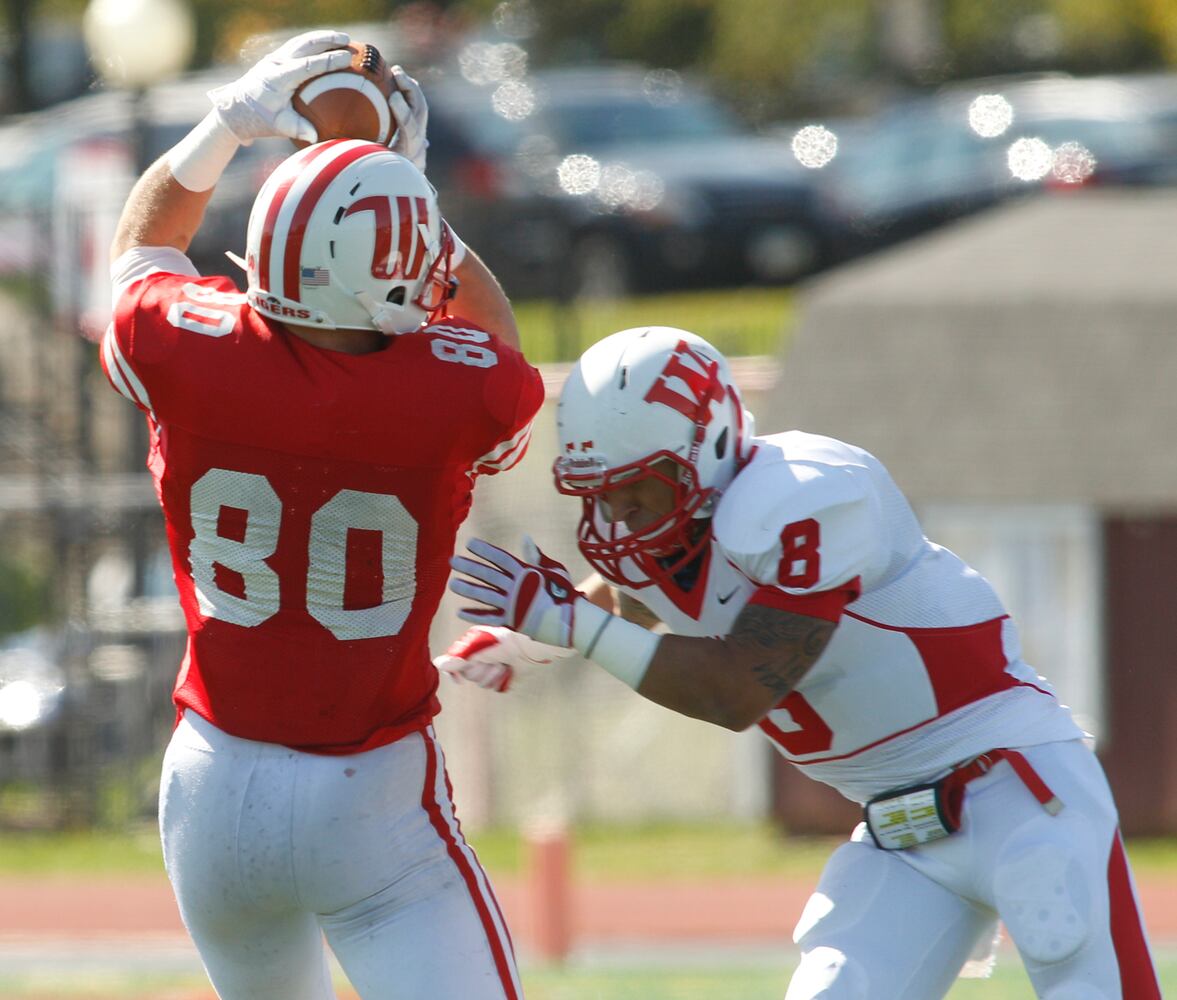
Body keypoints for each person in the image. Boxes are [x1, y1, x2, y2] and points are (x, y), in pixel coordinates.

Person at [439, 325, 1161, 999]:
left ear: (706, 445)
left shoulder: (799, 497)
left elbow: (734, 692)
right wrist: (529, 641)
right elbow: (634, 594)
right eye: (599, 489)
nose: (618, 509)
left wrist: (565, 620)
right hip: (900, 829)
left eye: (638, 484)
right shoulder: (668, 530)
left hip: (1010, 785)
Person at [99, 30, 541, 1000]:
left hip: (211, 785)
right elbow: (495, 347)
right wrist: (409, 197)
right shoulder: (445, 388)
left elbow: (142, 248)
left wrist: (229, 122)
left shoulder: (189, 343)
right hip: (367, 796)